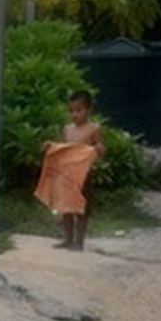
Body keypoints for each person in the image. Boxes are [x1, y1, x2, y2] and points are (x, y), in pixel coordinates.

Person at [34, 91, 106, 251]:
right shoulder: (67, 129)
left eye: (79, 110)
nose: (74, 114)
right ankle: (67, 239)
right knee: (65, 206)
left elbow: (101, 149)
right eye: (71, 110)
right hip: (66, 174)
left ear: (89, 110)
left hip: (83, 175)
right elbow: (63, 149)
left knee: (81, 207)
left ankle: (79, 243)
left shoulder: (93, 128)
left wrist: (97, 148)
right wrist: (51, 147)